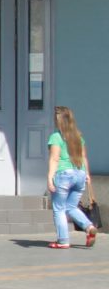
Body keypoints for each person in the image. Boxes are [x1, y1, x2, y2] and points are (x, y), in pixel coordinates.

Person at [47, 105, 96, 249]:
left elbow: (55, 159)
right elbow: (83, 157)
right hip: (79, 174)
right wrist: (87, 174)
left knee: (59, 209)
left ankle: (63, 241)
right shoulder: (78, 137)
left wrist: (50, 177)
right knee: (71, 207)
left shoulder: (56, 137)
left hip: (64, 175)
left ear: (58, 120)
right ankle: (89, 227)